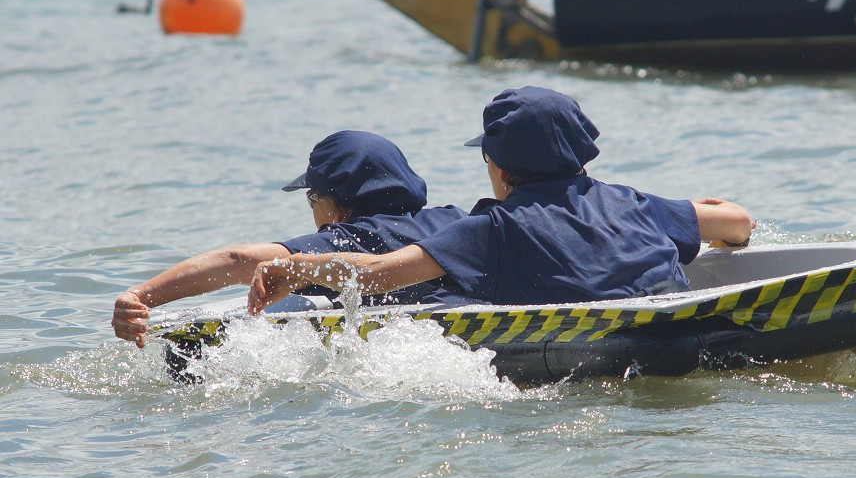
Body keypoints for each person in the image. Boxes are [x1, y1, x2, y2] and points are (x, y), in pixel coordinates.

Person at [246, 87, 753, 313]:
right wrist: (704, 214)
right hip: (677, 308)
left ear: (502, 169)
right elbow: (737, 222)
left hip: (603, 342)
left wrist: (298, 268)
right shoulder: (633, 202)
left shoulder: (490, 228)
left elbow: (378, 273)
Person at [112, 130, 467, 347]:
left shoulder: (343, 241)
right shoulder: (454, 222)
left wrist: (141, 295)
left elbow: (237, 261)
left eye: (312, 197)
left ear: (334, 203)